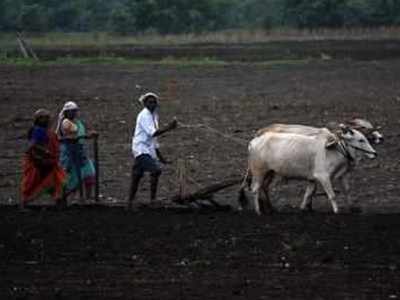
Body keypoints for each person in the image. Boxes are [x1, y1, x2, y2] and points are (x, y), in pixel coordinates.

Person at [128, 92, 177, 209]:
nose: (152, 104)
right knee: (156, 171)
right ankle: (152, 200)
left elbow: (153, 139)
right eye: (150, 102)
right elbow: (153, 133)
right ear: (144, 103)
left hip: (145, 148)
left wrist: (162, 158)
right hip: (140, 148)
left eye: (154, 102)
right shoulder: (144, 115)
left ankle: (129, 203)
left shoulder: (154, 116)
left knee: (137, 175)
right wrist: (169, 127)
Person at [21, 109, 66, 209]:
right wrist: (45, 152)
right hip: (38, 161)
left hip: (45, 160)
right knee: (35, 181)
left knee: (54, 179)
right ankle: (25, 203)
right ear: (39, 119)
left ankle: (58, 199)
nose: (48, 120)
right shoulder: (39, 131)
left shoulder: (40, 130)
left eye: (48, 118)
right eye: (45, 118)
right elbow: (32, 145)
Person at [56, 101, 97, 202]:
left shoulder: (76, 121)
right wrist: (86, 136)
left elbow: (79, 134)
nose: (74, 113)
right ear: (66, 112)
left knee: (89, 174)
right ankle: (66, 198)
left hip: (80, 152)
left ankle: (86, 198)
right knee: (75, 178)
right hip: (71, 153)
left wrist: (88, 134)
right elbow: (71, 135)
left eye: (75, 111)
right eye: (72, 111)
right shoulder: (66, 122)